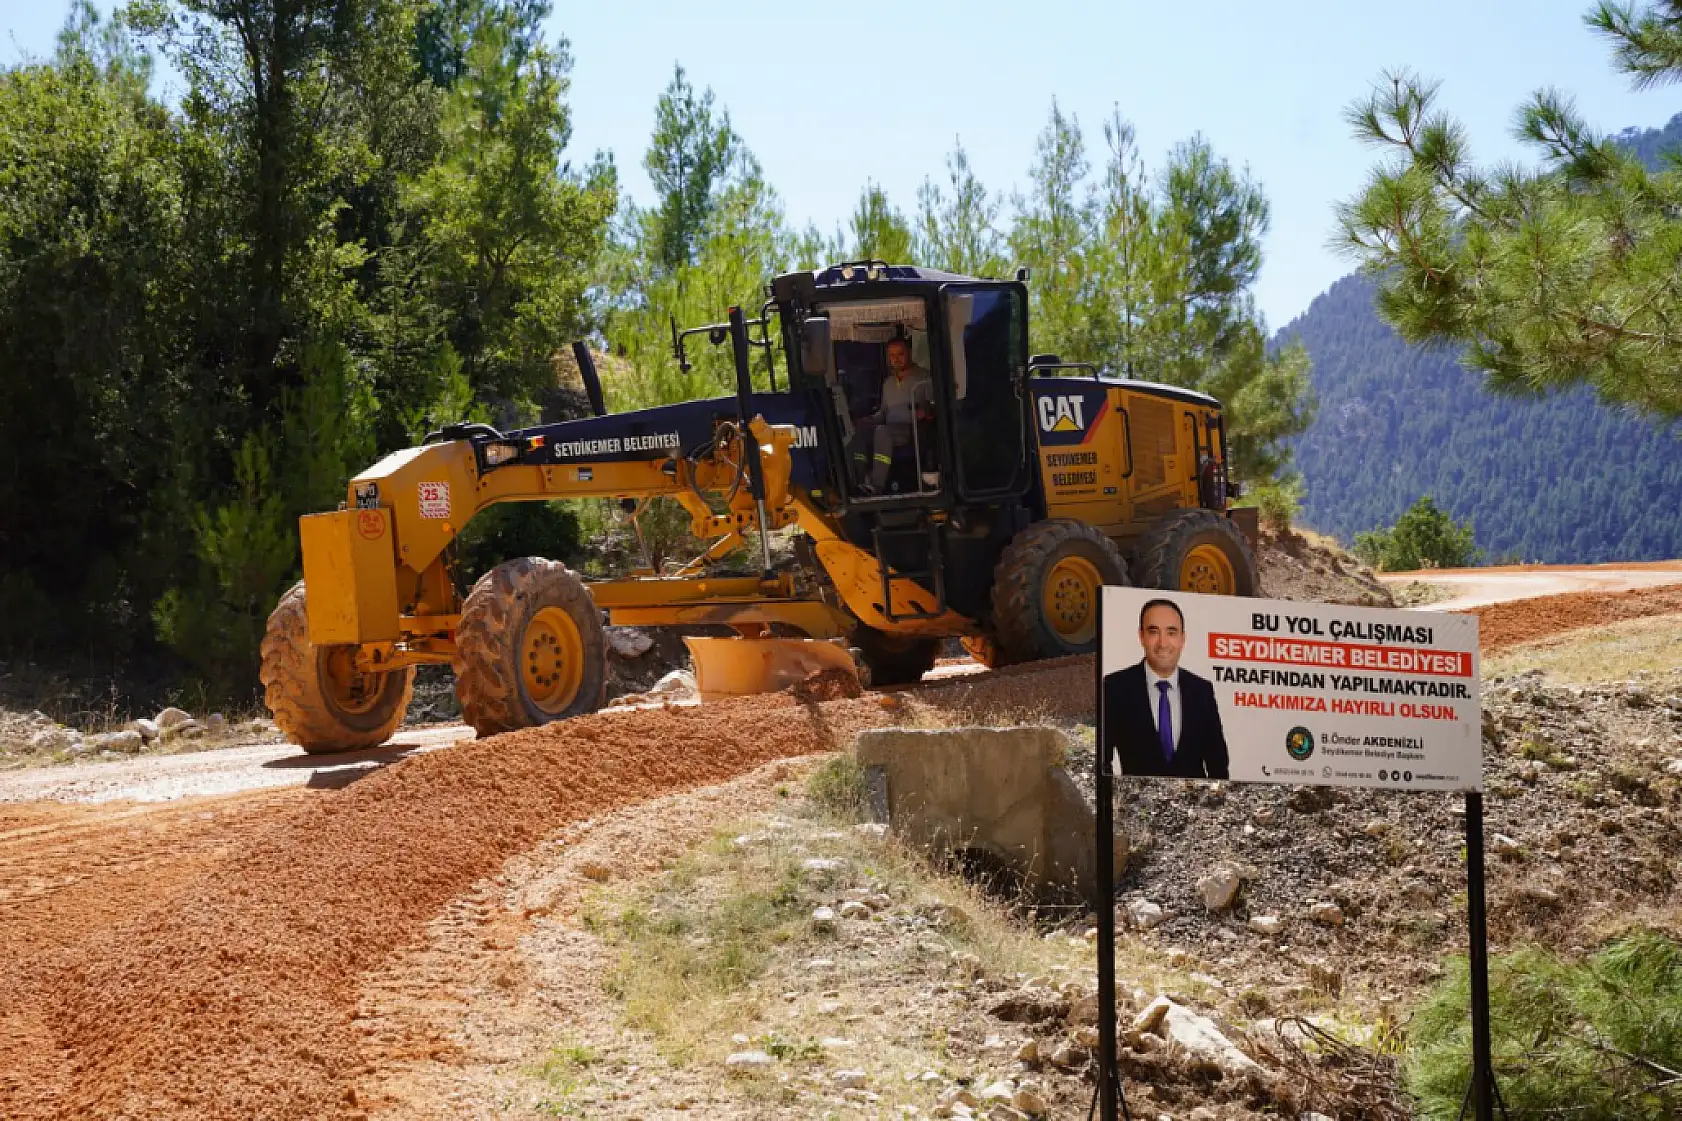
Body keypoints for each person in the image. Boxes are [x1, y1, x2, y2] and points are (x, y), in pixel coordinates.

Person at [1103, 598, 1230, 779]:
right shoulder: (1115, 687)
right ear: (1142, 636)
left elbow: (1218, 762)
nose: (1162, 643)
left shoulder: (1201, 691)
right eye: (1153, 632)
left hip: (1196, 804)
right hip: (1136, 804)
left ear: (1182, 638)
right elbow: (1102, 761)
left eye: (1171, 632)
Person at [850, 336, 934, 494]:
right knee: (860, 433)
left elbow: (933, 406)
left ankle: (877, 486)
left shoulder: (923, 377)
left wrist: (926, 411)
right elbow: (883, 413)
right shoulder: (887, 383)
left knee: (882, 432)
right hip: (888, 428)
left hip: (912, 429)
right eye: (892, 356)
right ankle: (858, 482)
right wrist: (867, 420)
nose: (896, 359)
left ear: (909, 353)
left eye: (900, 354)